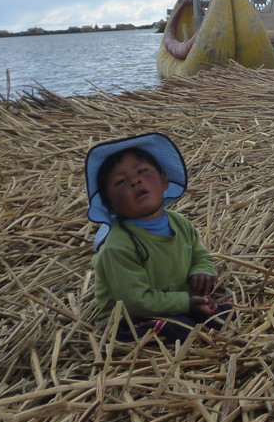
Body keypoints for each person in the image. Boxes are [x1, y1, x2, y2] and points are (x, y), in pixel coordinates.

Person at [86, 132, 231, 343]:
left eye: (142, 171)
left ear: (164, 180)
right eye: (120, 182)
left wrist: (202, 272)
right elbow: (136, 302)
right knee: (179, 330)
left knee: (225, 313)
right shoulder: (118, 246)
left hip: (179, 306)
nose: (135, 180)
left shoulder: (179, 223)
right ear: (109, 205)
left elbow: (201, 256)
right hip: (131, 318)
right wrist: (187, 302)